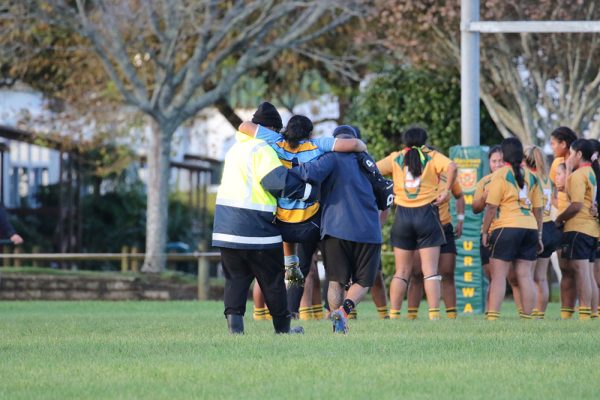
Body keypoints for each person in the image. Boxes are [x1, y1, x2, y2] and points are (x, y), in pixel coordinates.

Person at [238, 111, 366, 319]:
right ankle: (335, 307)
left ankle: (290, 279)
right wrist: (363, 146)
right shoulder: (316, 145)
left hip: (281, 221)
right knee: (332, 258)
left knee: (296, 266)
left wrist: (276, 137)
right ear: (309, 133)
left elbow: (244, 126)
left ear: (287, 130)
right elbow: (351, 145)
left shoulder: (276, 143)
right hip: (310, 221)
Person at [213, 107, 318, 334]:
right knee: (272, 279)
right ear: (269, 129)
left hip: (224, 227)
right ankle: (283, 329)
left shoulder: (235, 149)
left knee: (235, 279)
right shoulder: (262, 149)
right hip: (255, 226)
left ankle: (235, 329)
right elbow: (276, 182)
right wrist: (310, 191)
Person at [294, 125, 383, 333]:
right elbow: (384, 194)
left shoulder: (329, 158)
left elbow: (308, 173)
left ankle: (337, 322)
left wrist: (284, 166)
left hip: (335, 228)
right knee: (363, 281)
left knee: (336, 278)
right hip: (368, 229)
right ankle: (344, 312)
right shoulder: (369, 162)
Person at [377, 127, 457, 320]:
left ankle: (394, 314)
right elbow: (452, 166)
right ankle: (434, 315)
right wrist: (446, 191)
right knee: (430, 270)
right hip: (427, 215)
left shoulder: (396, 158)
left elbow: (373, 169)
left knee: (402, 271)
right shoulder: (432, 156)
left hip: (403, 216)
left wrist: (388, 190)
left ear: (404, 142)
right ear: (424, 141)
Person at [481, 138, 543, 320]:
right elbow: (538, 209)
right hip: (530, 228)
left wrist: (485, 231)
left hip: (507, 227)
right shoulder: (532, 177)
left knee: (498, 275)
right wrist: (539, 234)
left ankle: (492, 316)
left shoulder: (500, 176)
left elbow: (491, 207)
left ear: (504, 155)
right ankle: (527, 317)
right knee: (525, 275)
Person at [405, 167, 465, 320]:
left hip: (444, 228)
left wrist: (460, 220)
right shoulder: (418, 177)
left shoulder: (448, 177)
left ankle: (452, 316)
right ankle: (412, 316)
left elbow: (460, 196)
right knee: (417, 273)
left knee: (447, 272)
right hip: (423, 229)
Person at [555, 139, 600, 320]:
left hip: (578, 228)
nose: (569, 158)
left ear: (579, 154)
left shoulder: (579, 175)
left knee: (582, 273)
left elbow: (576, 204)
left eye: (572, 154)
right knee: (588, 273)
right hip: (592, 229)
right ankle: (593, 313)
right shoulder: (591, 173)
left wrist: (560, 218)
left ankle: (584, 314)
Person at [524, 145, 561, 319]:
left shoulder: (529, 179)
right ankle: (540, 314)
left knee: (528, 276)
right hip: (549, 227)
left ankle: (529, 312)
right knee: (542, 277)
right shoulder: (548, 180)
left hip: (534, 227)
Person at [549, 127, 578, 319]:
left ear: (564, 144)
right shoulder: (556, 163)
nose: (551, 148)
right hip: (561, 219)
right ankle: (566, 314)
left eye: (554, 144)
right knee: (565, 267)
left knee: (583, 268)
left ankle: (589, 312)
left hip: (579, 219)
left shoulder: (578, 164)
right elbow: (554, 190)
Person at [472, 145, 503, 313]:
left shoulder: (512, 179)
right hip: (487, 233)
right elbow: (475, 208)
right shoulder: (484, 181)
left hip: (506, 231)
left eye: (501, 161)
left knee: (512, 276)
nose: (498, 164)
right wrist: (484, 197)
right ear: (489, 163)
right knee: (490, 275)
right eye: (494, 161)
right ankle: (489, 313)